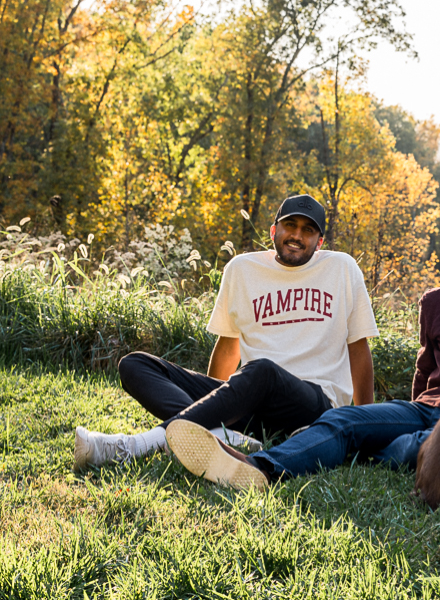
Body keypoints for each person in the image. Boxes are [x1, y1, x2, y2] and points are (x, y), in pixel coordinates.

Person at [166, 213, 440, 489]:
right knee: (346, 420)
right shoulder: (438, 301)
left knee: (407, 450)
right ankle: (258, 467)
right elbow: (427, 365)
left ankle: (376, 449)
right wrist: (409, 409)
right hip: (432, 408)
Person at [73, 194, 379, 470]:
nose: (297, 235)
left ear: (320, 242)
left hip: (312, 406)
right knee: (135, 364)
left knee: (262, 371)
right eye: (290, 225)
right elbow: (228, 346)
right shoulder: (241, 269)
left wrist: (364, 426)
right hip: (251, 403)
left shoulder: (342, 268)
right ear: (274, 231)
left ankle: (138, 445)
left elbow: (358, 348)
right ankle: (224, 435)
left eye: (308, 230)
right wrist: (223, 404)